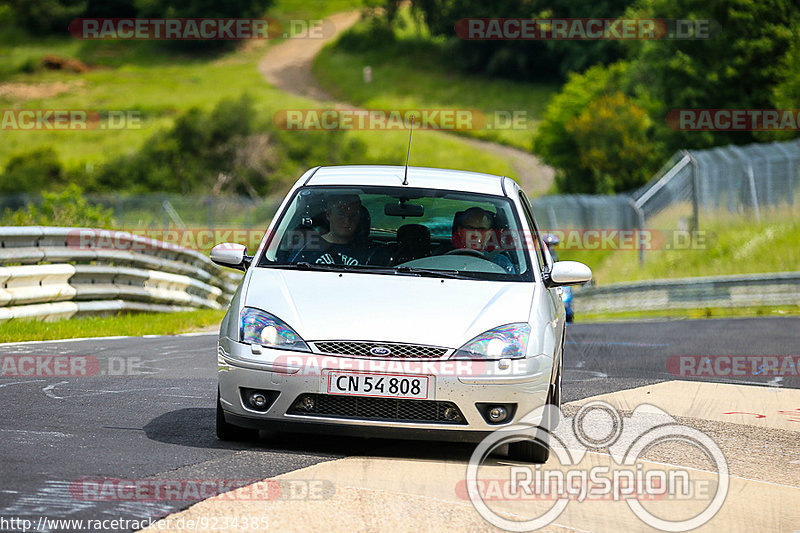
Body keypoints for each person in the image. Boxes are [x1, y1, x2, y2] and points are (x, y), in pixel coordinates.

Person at [300, 193, 371, 265]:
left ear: (359, 217)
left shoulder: (370, 251)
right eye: (341, 214)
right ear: (328, 215)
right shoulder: (307, 246)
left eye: (353, 215)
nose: (347, 221)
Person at [451, 207, 516, 273]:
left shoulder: (501, 263)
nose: (475, 235)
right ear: (460, 231)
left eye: (482, 230)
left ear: (489, 234)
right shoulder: (447, 260)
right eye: (470, 228)